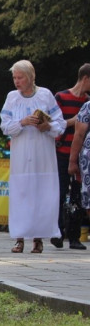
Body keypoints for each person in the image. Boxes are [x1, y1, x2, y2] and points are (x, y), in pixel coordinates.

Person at [0, 60, 66, 253]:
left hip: (42, 156)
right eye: (14, 77)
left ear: (30, 77)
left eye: (20, 77)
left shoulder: (45, 95)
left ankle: (38, 238)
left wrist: (47, 126)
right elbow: (5, 125)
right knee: (21, 193)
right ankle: (19, 238)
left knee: (42, 194)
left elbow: (60, 123)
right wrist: (21, 122)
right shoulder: (12, 97)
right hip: (21, 156)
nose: (16, 81)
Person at [51, 64, 90, 250]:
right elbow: (53, 124)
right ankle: (57, 232)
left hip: (82, 156)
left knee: (78, 195)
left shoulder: (87, 101)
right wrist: (74, 121)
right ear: (85, 78)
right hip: (61, 152)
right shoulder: (61, 97)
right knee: (58, 193)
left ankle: (74, 236)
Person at [69, 99, 90, 220]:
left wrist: (72, 161)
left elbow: (79, 134)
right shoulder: (88, 106)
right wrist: (72, 161)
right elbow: (79, 135)